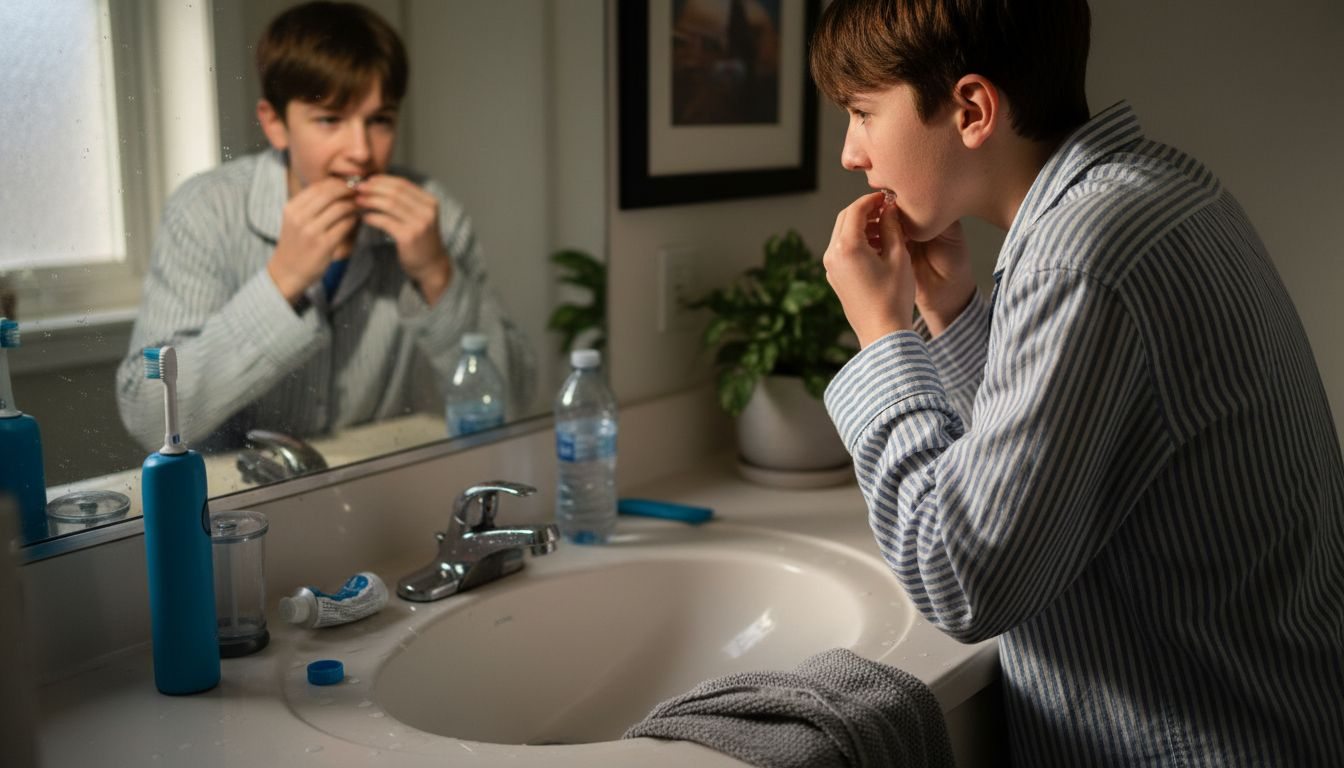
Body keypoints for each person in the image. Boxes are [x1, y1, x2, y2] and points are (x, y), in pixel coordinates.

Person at [811, 0, 1344, 765]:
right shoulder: (1155, 189)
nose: (850, 154)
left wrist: (883, 334)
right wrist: (953, 313)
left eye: (862, 113)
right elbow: (1047, 471)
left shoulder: (1081, 259)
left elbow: (963, 580)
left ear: (971, 108)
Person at [116, 1, 534, 452]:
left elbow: (513, 403)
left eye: (379, 120)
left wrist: (436, 273)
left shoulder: (436, 216)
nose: (360, 151)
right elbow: (146, 414)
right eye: (330, 119)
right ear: (275, 124)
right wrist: (282, 282)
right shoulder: (205, 211)